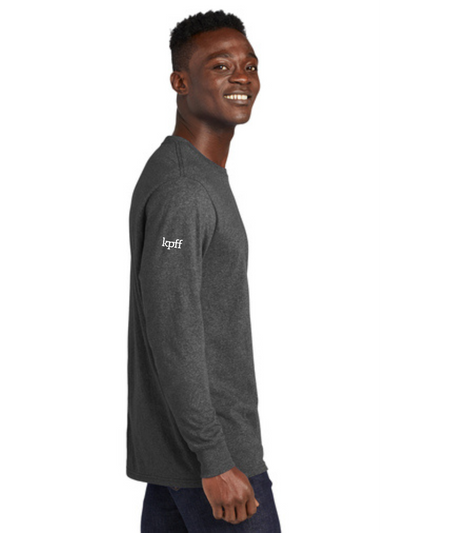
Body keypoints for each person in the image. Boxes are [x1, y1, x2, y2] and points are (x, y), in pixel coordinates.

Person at [127, 10, 282, 532]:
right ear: (180, 82)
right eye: (220, 66)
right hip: (214, 464)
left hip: (179, 461)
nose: (242, 77)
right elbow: (172, 330)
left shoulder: (195, 175)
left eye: (249, 65)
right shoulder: (185, 190)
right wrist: (215, 457)